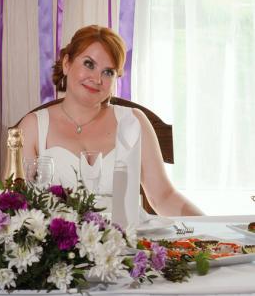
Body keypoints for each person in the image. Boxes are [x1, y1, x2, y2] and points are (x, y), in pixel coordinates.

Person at [20, 24, 202, 216]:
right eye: (89, 64)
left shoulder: (134, 122)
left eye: (108, 72)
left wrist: (212, 227)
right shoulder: (33, 127)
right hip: (59, 235)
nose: (97, 79)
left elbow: (164, 197)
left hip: (128, 233)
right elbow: (19, 207)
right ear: (66, 64)